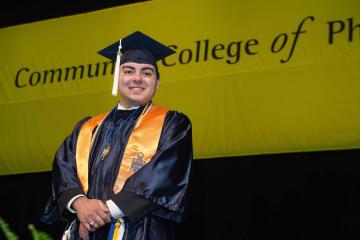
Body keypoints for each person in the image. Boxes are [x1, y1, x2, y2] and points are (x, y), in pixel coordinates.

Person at [41, 31, 193, 240]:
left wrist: (100, 214)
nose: (137, 78)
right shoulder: (88, 127)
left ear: (157, 83)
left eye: (147, 72)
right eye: (129, 70)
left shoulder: (173, 124)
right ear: (117, 78)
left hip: (140, 230)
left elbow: (162, 176)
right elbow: (63, 168)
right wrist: (80, 205)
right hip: (84, 231)